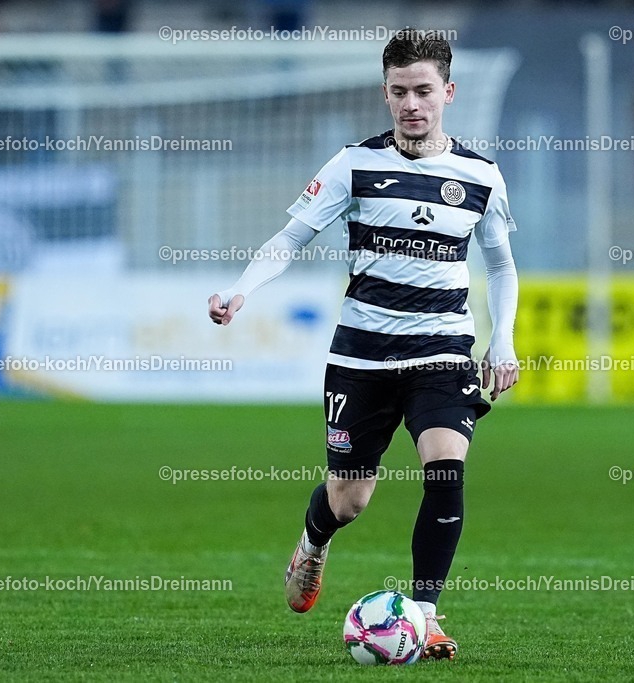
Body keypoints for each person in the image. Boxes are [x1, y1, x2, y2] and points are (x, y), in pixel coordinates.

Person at [207, 30, 519, 661]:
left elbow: (502, 266)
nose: (412, 104)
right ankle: (313, 544)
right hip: (361, 356)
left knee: (446, 468)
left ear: (448, 93)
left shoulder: (481, 175)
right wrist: (242, 289)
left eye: (424, 91)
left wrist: (501, 340)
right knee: (350, 498)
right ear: (386, 94)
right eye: (400, 91)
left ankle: (425, 615)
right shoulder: (354, 164)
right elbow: (290, 239)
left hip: (441, 352)